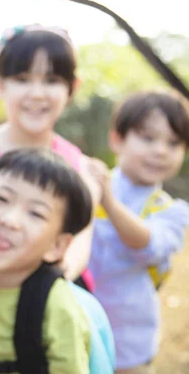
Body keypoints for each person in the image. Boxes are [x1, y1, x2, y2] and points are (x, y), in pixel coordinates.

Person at [0, 24, 100, 288]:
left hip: (48, 296)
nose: (37, 93)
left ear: (73, 87)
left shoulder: (80, 168)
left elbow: (76, 251)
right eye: (22, 79)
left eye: (51, 80)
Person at [88, 91, 189, 374]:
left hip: (130, 348)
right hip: (79, 332)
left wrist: (107, 201)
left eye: (174, 143)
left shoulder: (173, 212)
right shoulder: (87, 187)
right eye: (148, 138)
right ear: (117, 139)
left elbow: (149, 245)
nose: (161, 150)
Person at [0, 149, 95, 374]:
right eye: (1, 198)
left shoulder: (56, 305)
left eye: (35, 213)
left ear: (57, 246)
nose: (9, 220)